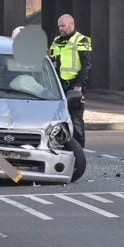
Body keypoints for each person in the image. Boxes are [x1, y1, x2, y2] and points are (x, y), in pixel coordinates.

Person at [48, 13, 92, 148]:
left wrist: (79, 85)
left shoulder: (82, 40)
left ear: (71, 25)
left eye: (63, 25)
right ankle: (61, 143)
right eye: (59, 26)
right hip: (59, 85)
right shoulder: (57, 40)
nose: (60, 28)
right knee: (58, 116)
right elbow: (51, 60)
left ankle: (79, 147)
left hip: (74, 84)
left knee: (76, 116)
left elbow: (86, 65)